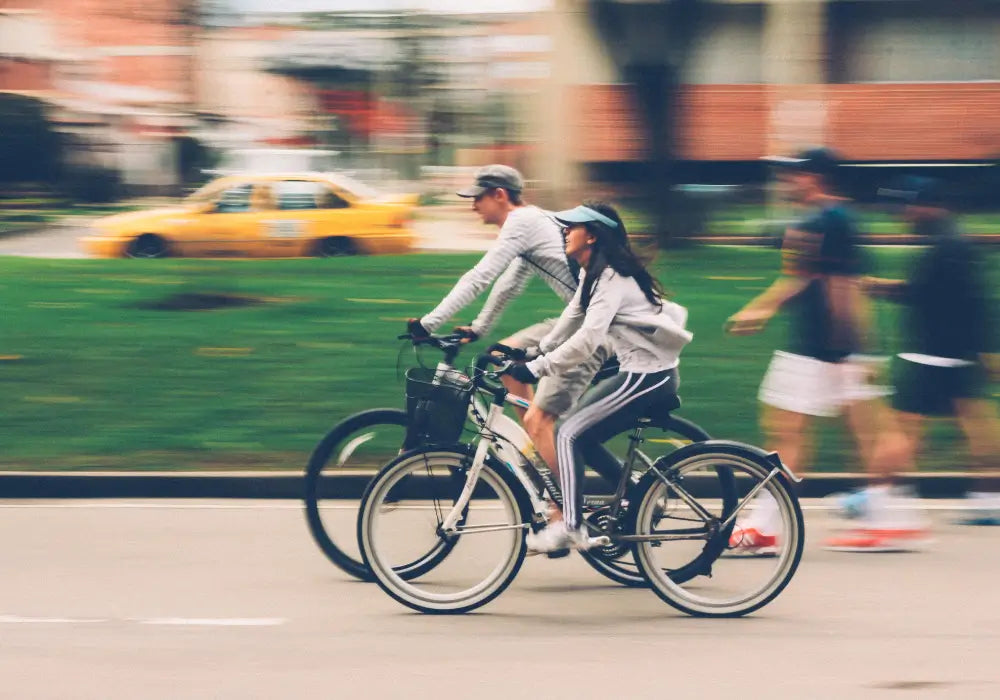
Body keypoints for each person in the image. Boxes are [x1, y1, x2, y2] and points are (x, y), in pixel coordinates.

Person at [725, 147, 926, 553]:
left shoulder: (832, 220)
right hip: (825, 348)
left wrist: (847, 351)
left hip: (830, 349)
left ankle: (889, 519)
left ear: (816, 177)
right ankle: (888, 517)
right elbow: (802, 279)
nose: (786, 181)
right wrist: (760, 310)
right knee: (798, 431)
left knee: (852, 433)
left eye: (793, 174)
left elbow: (843, 285)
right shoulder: (822, 220)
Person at [505, 202, 693, 553]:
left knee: (568, 434)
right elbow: (571, 320)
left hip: (648, 378)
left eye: (571, 227)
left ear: (591, 235)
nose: (564, 231)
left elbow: (587, 340)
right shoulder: (594, 274)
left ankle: (571, 527)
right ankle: (637, 495)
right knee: (582, 437)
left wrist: (536, 368)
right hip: (637, 374)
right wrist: (534, 351)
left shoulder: (611, 278)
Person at [406, 165, 611, 477]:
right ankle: (537, 454)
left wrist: (428, 324)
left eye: (478, 197)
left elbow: (480, 277)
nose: (473, 205)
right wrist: (478, 328)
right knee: (502, 356)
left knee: (540, 418)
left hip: (594, 329)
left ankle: (564, 506)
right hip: (577, 318)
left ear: (500, 195)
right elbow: (509, 284)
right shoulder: (532, 222)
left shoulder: (521, 222)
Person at [866, 176, 1000, 525]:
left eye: (907, 206)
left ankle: (878, 501)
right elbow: (965, 298)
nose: (903, 214)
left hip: (932, 354)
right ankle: (988, 499)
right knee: (976, 424)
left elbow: (929, 294)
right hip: (956, 353)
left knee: (902, 428)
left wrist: (879, 288)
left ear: (927, 204)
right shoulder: (953, 239)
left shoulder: (947, 245)